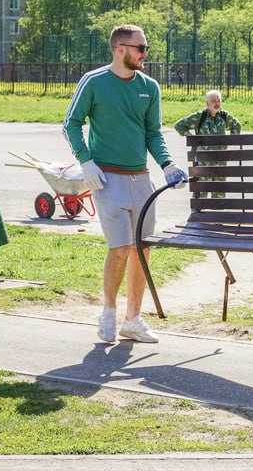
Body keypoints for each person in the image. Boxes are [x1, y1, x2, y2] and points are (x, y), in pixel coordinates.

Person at [63, 24, 189, 344]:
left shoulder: (150, 87)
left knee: (141, 250)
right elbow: (71, 123)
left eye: (145, 47)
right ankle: (108, 311)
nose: (145, 53)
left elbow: (153, 134)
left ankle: (133, 320)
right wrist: (85, 161)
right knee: (119, 249)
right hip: (107, 179)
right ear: (120, 49)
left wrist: (168, 165)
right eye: (141, 48)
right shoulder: (94, 82)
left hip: (142, 181)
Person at [173, 90, 242, 198]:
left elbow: (237, 125)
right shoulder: (200, 116)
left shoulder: (224, 116)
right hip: (204, 163)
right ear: (207, 103)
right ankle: (199, 208)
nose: (217, 103)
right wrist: (191, 137)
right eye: (214, 101)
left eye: (219, 101)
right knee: (202, 193)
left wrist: (230, 139)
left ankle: (217, 209)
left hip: (220, 162)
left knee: (219, 193)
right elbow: (179, 125)